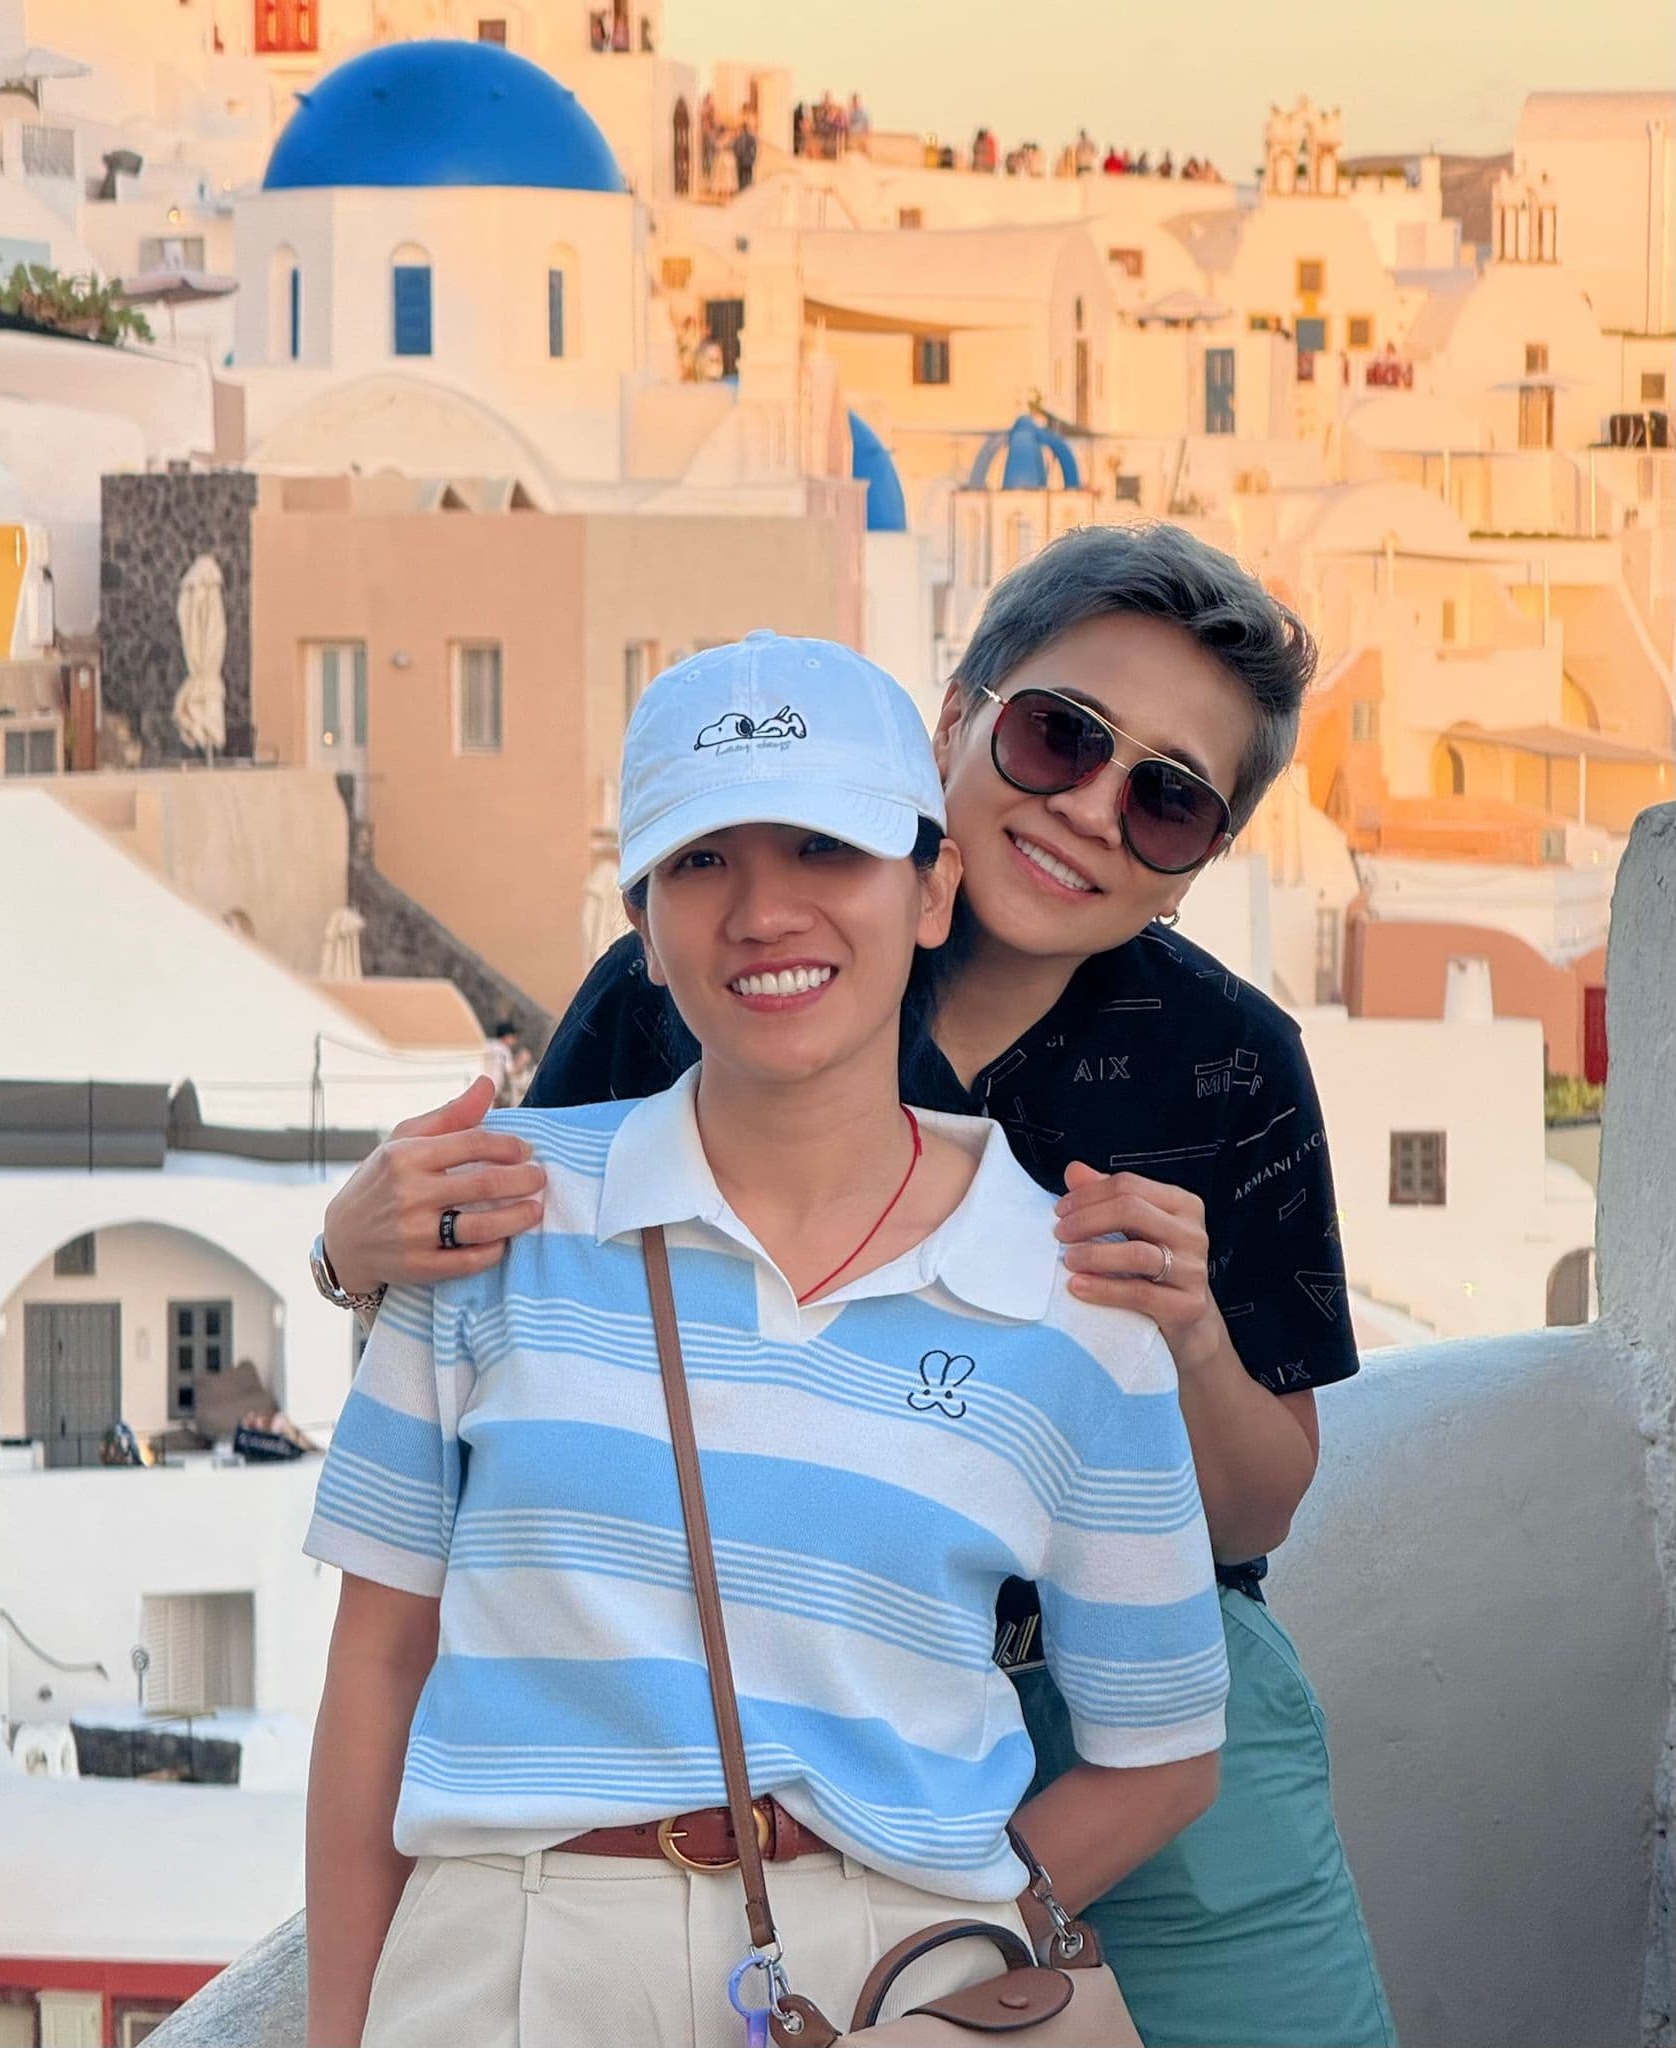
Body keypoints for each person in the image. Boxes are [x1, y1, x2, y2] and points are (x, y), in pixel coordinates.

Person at [317, 526, 1399, 2048]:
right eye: (1059, 735)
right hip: (778, 1690)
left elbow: (1259, 1509)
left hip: (1124, 1686)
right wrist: (347, 1246)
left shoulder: (1228, 1062)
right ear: (959, 716)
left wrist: (1193, 1336)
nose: (1090, 807)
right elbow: (520, 1277)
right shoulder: (690, 984)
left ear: (1200, 860)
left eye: (1165, 797)